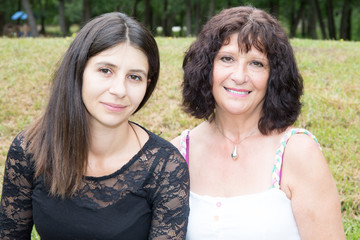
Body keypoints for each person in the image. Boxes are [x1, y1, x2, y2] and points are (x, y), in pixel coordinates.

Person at [0, 12, 189, 240]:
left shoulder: (166, 166)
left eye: (134, 77)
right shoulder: (30, 149)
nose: (119, 90)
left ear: (147, 84)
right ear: (78, 70)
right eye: (105, 70)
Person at [172, 6, 344, 240]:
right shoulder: (177, 155)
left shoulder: (298, 152)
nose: (240, 76)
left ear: (274, 76)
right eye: (227, 58)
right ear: (206, 68)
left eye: (256, 63)